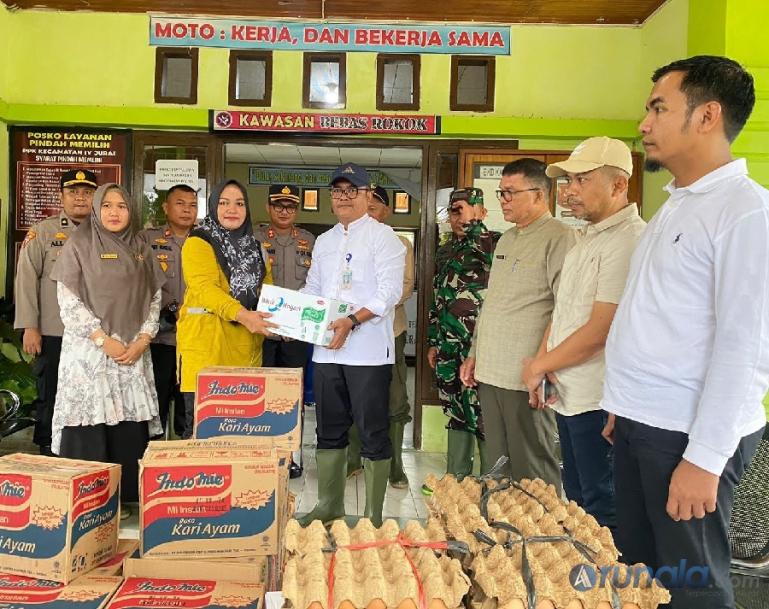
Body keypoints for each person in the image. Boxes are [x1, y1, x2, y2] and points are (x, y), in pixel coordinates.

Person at [601, 56, 768, 609]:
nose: (643, 124)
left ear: (707, 116)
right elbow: (658, 317)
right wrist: (622, 404)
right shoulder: (678, 205)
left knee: (692, 585)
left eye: (658, 108)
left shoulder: (746, 213)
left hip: (688, 438)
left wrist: (705, 459)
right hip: (644, 422)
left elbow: (746, 348)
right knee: (644, 577)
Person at [520, 137, 645, 531]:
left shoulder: (630, 240)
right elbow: (562, 313)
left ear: (618, 185)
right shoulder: (584, 239)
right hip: (569, 394)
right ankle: (582, 584)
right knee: (575, 500)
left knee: (601, 507)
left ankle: (608, 590)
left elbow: (600, 330)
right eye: (568, 181)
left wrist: (540, 363)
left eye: (581, 181)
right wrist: (542, 365)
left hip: (599, 400)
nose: (569, 192)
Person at [296, 163, 405, 528]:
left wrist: (352, 320)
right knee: (328, 429)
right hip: (327, 351)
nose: (343, 197)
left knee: (372, 431)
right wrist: (286, 312)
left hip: (369, 353)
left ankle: (374, 516)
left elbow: (388, 293)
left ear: (367, 194)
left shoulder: (384, 237)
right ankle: (329, 505)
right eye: (338, 191)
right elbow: (313, 289)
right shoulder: (325, 241)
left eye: (351, 190)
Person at [460, 159, 575, 487]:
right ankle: (501, 533)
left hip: (526, 375)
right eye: (501, 193)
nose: (503, 200)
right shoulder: (507, 239)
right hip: (491, 371)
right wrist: (473, 352)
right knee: (497, 465)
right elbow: (491, 303)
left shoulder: (560, 237)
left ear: (539, 195)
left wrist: (542, 366)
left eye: (510, 193)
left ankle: (540, 537)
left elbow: (563, 310)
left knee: (533, 469)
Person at [50, 183, 165, 510]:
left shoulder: (141, 246)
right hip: (91, 354)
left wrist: (144, 338)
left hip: (132, 351)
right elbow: (69, 302)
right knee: (91, 425)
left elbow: (153, 296)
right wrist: (103, 340)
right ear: (98, 209)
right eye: (108, 206)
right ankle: (89, 503)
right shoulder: (78, 245)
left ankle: (127, 498)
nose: (115, 212)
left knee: (128, 425)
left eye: (122, 206)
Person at [176, 179, 276, 438]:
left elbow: (268, 295)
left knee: (238, 436)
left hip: (245, 353)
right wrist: (244, 316)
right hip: (207, 352)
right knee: (202, 435)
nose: (232, 209)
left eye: (239, 203)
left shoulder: (256, 249)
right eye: (224, 202)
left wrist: (284, 321)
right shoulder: (198, 242)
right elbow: (205, 290)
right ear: (212, 206)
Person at [14, 169, 98, 456]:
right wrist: (29, 326)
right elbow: (25, 279)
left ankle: (80, 450)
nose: (80, 198)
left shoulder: (105, 231)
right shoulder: (44, 232)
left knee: (89, 394)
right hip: (53, 330)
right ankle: (48, 451)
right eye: (74, 191)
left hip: (93, 334)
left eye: (87, 192)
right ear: (61, 196)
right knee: (50, 393)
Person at [425, 187, 499, 492]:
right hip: (447, 345)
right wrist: (433, 340)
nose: (458, 217)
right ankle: (456, 479)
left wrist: (472, 223)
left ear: (481, 212)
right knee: (454, 408)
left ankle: (491, 482)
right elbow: (438, 300)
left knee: (481, 410)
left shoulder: (492, 242)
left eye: (465, 209)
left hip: (477, 347)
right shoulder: (445, 251)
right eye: (454, 211)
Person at [346, 185, 415, 489]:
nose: (368, 211)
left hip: (390, 331)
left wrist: (366, 307)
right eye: (364, 205)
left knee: (394, 399)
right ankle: (352, 461)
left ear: (386, 211)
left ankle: (395, 468)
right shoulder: (342, 241)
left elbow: (404, 286)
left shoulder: (399, 243)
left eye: (374, 207)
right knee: (350, 395)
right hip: (348, 334)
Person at [254, 183, 315, 479]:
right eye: (278, 205)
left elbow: (315, 287)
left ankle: (291, 456)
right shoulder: (253, 239)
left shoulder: (309, 241)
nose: (284, 210)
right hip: (261, 334)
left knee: (292, 399)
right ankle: (264, 456)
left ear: (297, 210)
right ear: (268, 207)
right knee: (263, 398)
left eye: (290, 206)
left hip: (296, 335)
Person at [139, 184, 198, 438]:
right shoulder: (147, 239)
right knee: (157, 399)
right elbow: (141, 280)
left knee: (190, 404)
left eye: (192, 205)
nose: (187, 210)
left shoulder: (206, 240)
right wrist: (172, 307)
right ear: (166, 207)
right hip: (162, 336)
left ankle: (184, 457)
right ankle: (154, 454)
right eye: (180, 203)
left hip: (196, 339)